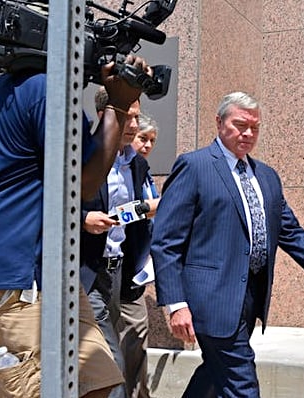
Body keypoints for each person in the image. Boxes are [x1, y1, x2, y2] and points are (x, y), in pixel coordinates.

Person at [151, 91, 304, 397]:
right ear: (219, 123)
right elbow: (166, 241)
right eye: (240, 125)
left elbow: (290, 231)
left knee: (214, 375)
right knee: (241, 383)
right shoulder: (194, 166)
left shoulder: (266, 176)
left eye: (255, 127)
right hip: (209, 299)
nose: (248, 133)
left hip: (249, 298)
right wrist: (176, 305)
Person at [0, 53, 150, 397]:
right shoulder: (40, 89)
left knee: (98, 384)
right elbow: (84, 185)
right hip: (19, 280)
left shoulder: (20, 88)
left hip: (50, 274)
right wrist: (117, 103)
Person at [79, 89, 153, 398]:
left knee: (100, 358)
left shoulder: (136, 163)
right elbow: (49, 197)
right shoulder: (85, 155)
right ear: (105, 115)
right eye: (128, 116)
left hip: (117, 270)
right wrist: (82, 218)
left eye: (137, 116)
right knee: (110, 361)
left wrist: (152, 207)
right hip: (85, 271)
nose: (135, 124)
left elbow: (125, 214)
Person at [115, 112, 161, 398]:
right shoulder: (110, 166)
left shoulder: (140, 167)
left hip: (135, 270)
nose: (146, 145)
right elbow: (114, 215)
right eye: (142, 138)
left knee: (135, 344)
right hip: (110, 270)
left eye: (152, 141)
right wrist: (150, 207)